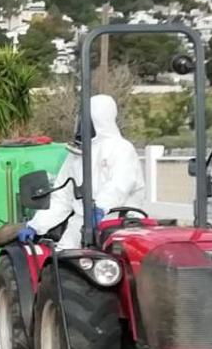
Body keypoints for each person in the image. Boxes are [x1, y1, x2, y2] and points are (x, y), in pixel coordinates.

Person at [18, 94, 145, 249]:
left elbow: (120, 184)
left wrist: (100, 208)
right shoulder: (76, 155)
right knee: (61, 262)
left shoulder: (121, 149)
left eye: (85, 118)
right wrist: (35, 226)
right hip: (80, 226)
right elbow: (62, 199)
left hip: (120, 225)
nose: (81, 123)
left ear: (99, 118)